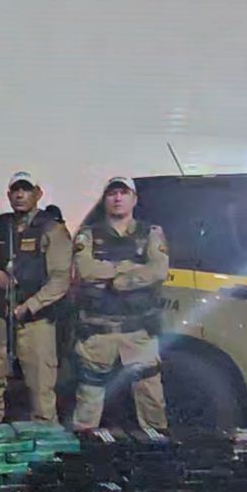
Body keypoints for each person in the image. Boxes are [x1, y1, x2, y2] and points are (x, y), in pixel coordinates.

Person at [0, 171, 71, 423]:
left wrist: (30, 306)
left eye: (25, 190)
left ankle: (45, 438)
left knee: (41, 389)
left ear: (37, 194)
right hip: (1, 316)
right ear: (8, 195)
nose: (20, 195)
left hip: (36, 321)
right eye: (15, 190)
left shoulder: (52, 228)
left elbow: (61, 279)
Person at [70, 175, 169, 432]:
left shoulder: (150, 233)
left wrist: (122, 282)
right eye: (112, 193)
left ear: (134, 199)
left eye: (123, 193)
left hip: (138, 333)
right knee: (88, 404)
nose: (117, 198)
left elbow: (158, 270)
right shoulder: (88, 235)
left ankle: (157, 447)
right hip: (97, 333)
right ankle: (85, 448)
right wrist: (127, 268)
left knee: (151, 399)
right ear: (104, 200)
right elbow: (86, 270)